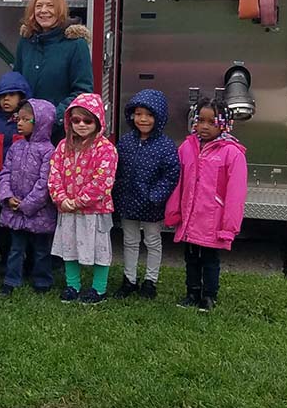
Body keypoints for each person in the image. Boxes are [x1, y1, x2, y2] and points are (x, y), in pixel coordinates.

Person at [164, 97, 248, 312]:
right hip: (190, 217)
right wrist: (174, 213)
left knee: (210, 259)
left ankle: (209, 296)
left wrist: (229, 227)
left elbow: (235, 195)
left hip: (212, 219)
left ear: (224, 124)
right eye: (200, 120)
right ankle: (192, 292)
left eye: (212, 122)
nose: (204, 126)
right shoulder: (187, 147)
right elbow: (178, 183)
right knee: (191, 256)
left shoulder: (232, 153)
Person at [49, 92, 118, 304]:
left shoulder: (106, 149)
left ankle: (99, 289)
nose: (81, 125)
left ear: (98, 121)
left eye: (87, 120)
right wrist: (61, 198)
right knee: (69, 247)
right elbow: (54, 174)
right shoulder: (63, 146)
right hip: (67, 209)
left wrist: (79, 201)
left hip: (95, 211)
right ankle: (73, 285)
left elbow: (103, 181)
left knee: (100, 250)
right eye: (76, 120)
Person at [113, 89, 180, 300]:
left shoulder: (166, 146)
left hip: (152, 204)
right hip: (128, 201)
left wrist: (155, 196)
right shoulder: (125, 142)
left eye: (149, 115)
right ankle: (129, 279)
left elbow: (171, 175)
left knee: (152, 241)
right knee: (130, 240)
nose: (143, 119)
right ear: (132, 115)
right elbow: (115, 168)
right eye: (139, 113)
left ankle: (150, 281)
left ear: (158, 117)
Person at [12, 0, 94, 131]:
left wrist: (53, 117)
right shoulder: (26, 41)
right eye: (39, 6)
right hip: (26, 129)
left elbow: (82, 91)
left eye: (50, 5)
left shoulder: (75, 45)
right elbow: (16, 83)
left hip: (60, 132)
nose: (43, 11)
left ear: (60, 9)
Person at [0, 99, 57, 297]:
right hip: (15, 208)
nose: (19, 123)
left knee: (41, 249)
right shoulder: (16, 147)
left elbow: (45, 182)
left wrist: (28, 204)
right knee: (16, 248)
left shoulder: (49, 151)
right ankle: (11, 279)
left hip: (38, 212)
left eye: (26, 119)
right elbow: (5, 173)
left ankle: (43, 279)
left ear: (41, 122)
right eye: (18, 118)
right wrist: (7, 197)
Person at [0, 70, 33, 265]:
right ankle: (6, 262)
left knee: (28, 228)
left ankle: (30, 263)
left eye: (11, 95)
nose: (6, 100)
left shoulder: (28, 124)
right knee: (2, 227)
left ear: (22, 96)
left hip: (24, 188)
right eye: (2, 96)